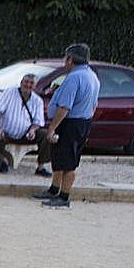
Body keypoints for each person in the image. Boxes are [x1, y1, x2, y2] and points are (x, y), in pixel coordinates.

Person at [35, 43, 100, 209]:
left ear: (70, 59)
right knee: (60, 158)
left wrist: (52, 128)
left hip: (70, 123)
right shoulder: (92, 76)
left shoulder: (74, 77)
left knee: (68, 161)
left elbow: (64, 107)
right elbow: (94, 104)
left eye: (66, 58)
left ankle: (64, 197)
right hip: (82, 122)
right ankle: (54, 189)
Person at [0, 73, 52, 177]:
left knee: (46, 135)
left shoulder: (38, 101)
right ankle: (1, 162)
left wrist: (32, 130)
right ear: (21, 83)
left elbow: (38, 122)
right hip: (6, 133)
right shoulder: (9, 92)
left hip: (26, 135)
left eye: (31, 83)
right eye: (26, 82)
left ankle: (40, 167)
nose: (28, 85)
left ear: (35, 86)